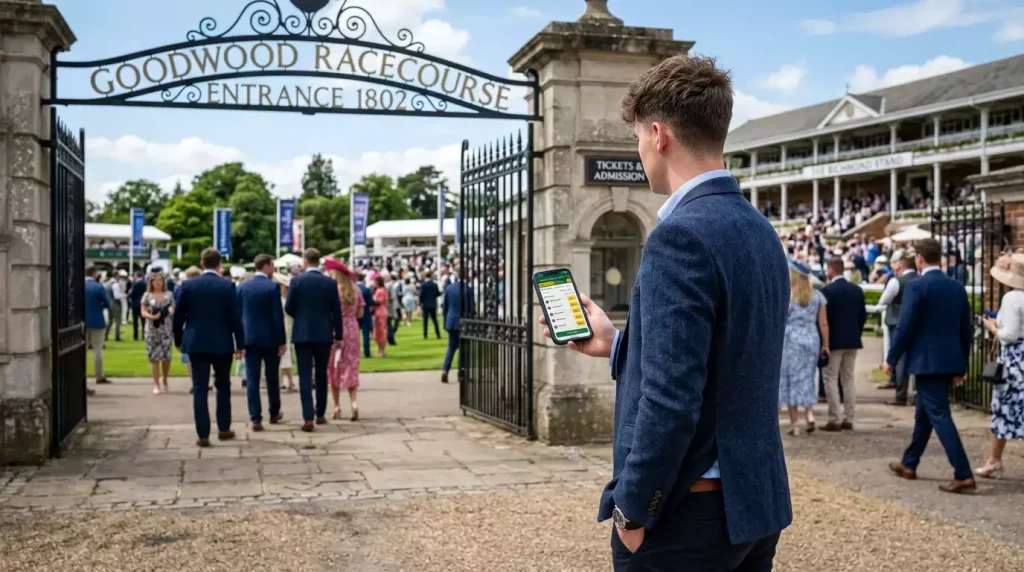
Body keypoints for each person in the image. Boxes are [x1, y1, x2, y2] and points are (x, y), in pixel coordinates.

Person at [540, 55, 791, 570]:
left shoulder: (679, 235)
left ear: (658, 135)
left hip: (688, 514)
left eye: (637, 136)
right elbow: (726, 360)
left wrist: (634, 508)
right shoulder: (759, 229)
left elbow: (671, 399)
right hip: (756, 503)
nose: (638, 149)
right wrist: (617, 345)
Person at [886, 238, 976, 493]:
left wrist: (891, 359)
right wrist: (963, 363)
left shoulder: (917, 286)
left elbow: (905, 327)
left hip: (926, 361)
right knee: (924, 415)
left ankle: (963, 473)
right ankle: (909, 462)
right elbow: (966, 329)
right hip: (949, 359)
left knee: (939, 415)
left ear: (920, 259)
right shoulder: (957, 287)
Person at [172, 248, 245, 447]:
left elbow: (178, 317)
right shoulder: (227, 286)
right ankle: (223, 427)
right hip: (221, 341)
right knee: (223, 386)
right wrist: (240, 343)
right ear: (219, 264)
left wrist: (179, 340)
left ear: (202, 263)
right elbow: (235, 318)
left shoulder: (188, 285)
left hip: (196, 341)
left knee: (200, 388)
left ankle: (203, 433)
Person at [285, 248, 343, 432]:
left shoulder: (296, 281)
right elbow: (336, 311)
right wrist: (339, 335)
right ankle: (320, 413)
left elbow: (289, 307)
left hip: (302, 333)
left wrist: (301, 316)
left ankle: (307, 416)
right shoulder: (329, 283)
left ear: (305, 261)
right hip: (323, 333)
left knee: (304, 375)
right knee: (321, 373)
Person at [977, 252, 1024, 478]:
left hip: (1015, 360)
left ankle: (994, 460)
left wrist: (993, 327)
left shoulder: (1012, 298)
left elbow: (1010, 335)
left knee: (1003, 408)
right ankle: (993, 460)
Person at [238, 254, 287, 431]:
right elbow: (277, 316)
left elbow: (238, 315)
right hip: (269, 338)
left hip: (249, 338)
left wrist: (239, 341)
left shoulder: (242, 287)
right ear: (266, 265)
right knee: (272, 376)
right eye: (272, 265)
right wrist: (281, 341)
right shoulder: (272, 287)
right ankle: (274, 411)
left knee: (252, 378)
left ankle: (255, 417)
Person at [779, 260, 829, 436]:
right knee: (808, 377)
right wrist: (826, 345)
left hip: (791, 340)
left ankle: (795, 423)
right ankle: (809, 413)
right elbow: (823, 323)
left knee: (790, 379)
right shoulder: (817, 296)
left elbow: (781, 321)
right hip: (811, 338)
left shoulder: (789, 296)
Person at [820, 257, 866, 432]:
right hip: (852, 339)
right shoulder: (856, 290)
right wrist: (856, 333)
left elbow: (824, 319)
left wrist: (824, 341)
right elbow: (862, 316)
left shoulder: (827, 291)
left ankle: (835, 418)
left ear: (831, 270)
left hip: (834, 341)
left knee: (830, 378)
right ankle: (849, 417)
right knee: (848, 378)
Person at [326, 258, 365, 421]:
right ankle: (354, 402)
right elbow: (360, 314)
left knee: (333, 366)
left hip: (335, 329)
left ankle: (336, 406)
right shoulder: (356, 290)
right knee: (351, 365)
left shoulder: (333, 291)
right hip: (352, 329)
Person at [878, 252, 918, 404]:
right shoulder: (921, 279)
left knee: (901, 359)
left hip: (897, 322)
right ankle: (917, 394)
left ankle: (901, 395)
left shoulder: (896, 281)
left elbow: (883, 300)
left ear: (901, 265)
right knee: (917, 357)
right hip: (917, 323)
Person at [140, 273, 175, 395]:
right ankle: (156, 383)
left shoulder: (169, 295)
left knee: (166, 358)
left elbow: (172, 308)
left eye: (160, 280)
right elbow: (143, 311)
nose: (158, 282)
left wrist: (169, 311)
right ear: (151, 282)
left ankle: (165, 379)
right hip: (152, 330)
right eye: (155, 281)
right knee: (154, 358)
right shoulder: (147, 295)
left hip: (166, 330)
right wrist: (152, 316)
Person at [441, 272, 473, 384]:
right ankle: (461, 373)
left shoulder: (449, 288)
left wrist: (445, 323)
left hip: (451, 321)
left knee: (451, 348)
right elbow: (471, 308)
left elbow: (445, 307)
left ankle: (445, 370)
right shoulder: (468, 289)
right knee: (463, 349)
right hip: (463, 321)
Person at [84, 266, 110, 392]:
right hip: (97, 321)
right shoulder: (98, 287)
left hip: (82, 321)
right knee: (97, 350)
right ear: (94, 274)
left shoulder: (79, 286)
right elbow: (107, 303)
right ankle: (99, 376)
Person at [274, 272, 296, 392]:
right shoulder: (284, 300)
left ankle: (285, 381)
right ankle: (287, 381)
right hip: (285, 329)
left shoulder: (283, 301)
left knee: (284, 357)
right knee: (285, 357)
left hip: (285, 329)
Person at [419, 271, 441, 339]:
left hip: (425, 304)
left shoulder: (423, 285)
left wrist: (420, 303)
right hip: (433, 304)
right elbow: (438, 293)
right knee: (434, 320)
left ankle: (425, 334)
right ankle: (438, 334)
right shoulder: (434, 285)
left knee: (425, 321)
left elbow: (421, 295)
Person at [357, 273, 374, 358]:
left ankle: (355, 352)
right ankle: (367, 352)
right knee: (366, 334)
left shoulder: (353, 289)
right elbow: (371, 303)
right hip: (366, 313)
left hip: (355, 314)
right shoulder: (366, 289)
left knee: (355, 335)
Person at [104, 271, 125, 342]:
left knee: (110, 321)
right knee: (118, 321)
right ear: (116, 276)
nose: (120, 277)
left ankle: (105, 335)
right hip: (115, 304)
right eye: (119, 276)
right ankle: (117, 336)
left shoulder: (107, 283)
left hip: (109, 303)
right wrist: (125, 295)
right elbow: (117, 296)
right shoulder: (115, 284)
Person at [372, 276, 389, 357]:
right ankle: (380, 350)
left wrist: (372, 301)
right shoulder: (382, 290)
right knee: (378, 331)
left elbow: (379, 301)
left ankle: (382, 350)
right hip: (380, 310)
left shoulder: (380, 290)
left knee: (381, 330)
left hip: (380, 311)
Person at [129, 271, 146, 341]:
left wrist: (129, 295)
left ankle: (135, 336)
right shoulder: (145, 283)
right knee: (143, 321)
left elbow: (131, 293)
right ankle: (144, 335)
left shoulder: (135, 284)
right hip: (143, 303)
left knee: (135, 321)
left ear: (137, 276)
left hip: (135, 303)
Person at [386, 273, 401, 345]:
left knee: (389, 322)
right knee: (389, 323)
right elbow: (392, 297)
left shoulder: (389, 285)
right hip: (391, 306)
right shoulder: (390, 285)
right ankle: (390, 337)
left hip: (391, 306)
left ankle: (390, 336)